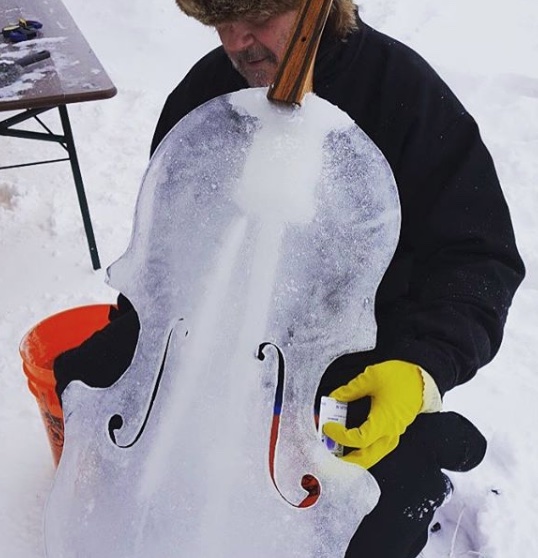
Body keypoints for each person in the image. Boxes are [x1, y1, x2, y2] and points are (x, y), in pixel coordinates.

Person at [54, 1, 525, 557]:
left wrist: (422, 366)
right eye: (221, 24)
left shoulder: (406, 97)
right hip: (206, 358)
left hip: (342, 377)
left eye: (256, 20)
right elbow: (160, 263)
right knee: (88, 393)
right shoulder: (206, 97)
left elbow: (477, 258)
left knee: (370, 515)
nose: (236, 44)